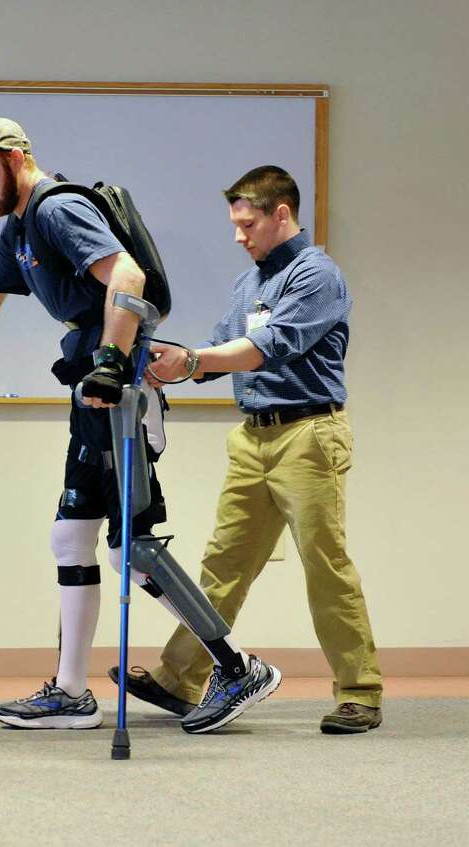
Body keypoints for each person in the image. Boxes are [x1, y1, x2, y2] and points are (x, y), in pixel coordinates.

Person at [0, 117, 280, 734]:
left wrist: (113, 363)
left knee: (128, 547)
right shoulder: (18, 230)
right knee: (72, 540)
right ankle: (69, 691)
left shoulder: (57, 209)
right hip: (90, 388)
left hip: (119, 392)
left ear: (13, 159)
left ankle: (235, 667)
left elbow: (128, 276)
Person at [116, 165, 384, 734]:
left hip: (308, 436)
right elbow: (219, 348)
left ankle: (359, 691)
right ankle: (177, 677)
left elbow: (268, 347)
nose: (239, 236)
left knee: (324, 564)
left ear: (281, 214)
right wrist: (173, 362)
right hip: (252, 437)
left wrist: (194, 362)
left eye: (247, 224)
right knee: (223, 563)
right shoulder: (250, 282)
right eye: (235, 225)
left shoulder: (317, 275)